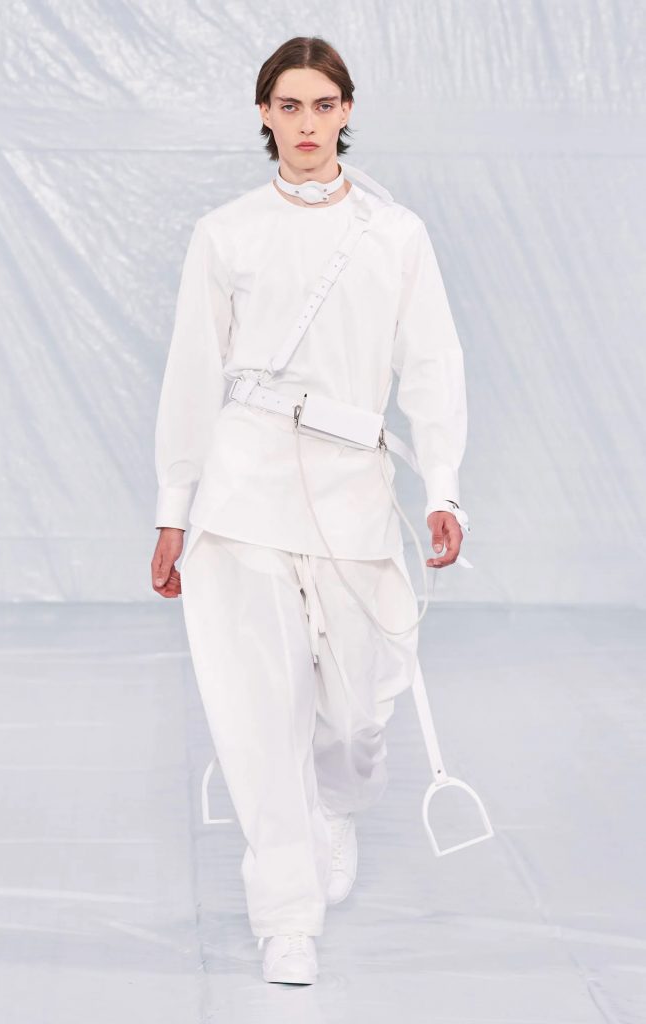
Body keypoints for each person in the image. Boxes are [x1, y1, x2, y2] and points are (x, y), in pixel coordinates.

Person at [150, 36, 469, 986]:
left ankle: (336, 807)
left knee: (356, 712)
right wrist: (174, 507)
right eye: (287, 106)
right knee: (260, 713)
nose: (305, 123)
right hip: (243, 488)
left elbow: (432, 364)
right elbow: (192, 372)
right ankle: (285, 916)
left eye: (322, 105)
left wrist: (442, 485)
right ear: (263, 114)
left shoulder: (395, 234)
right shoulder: (226, 232)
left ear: (346, 111)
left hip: (351, 491)